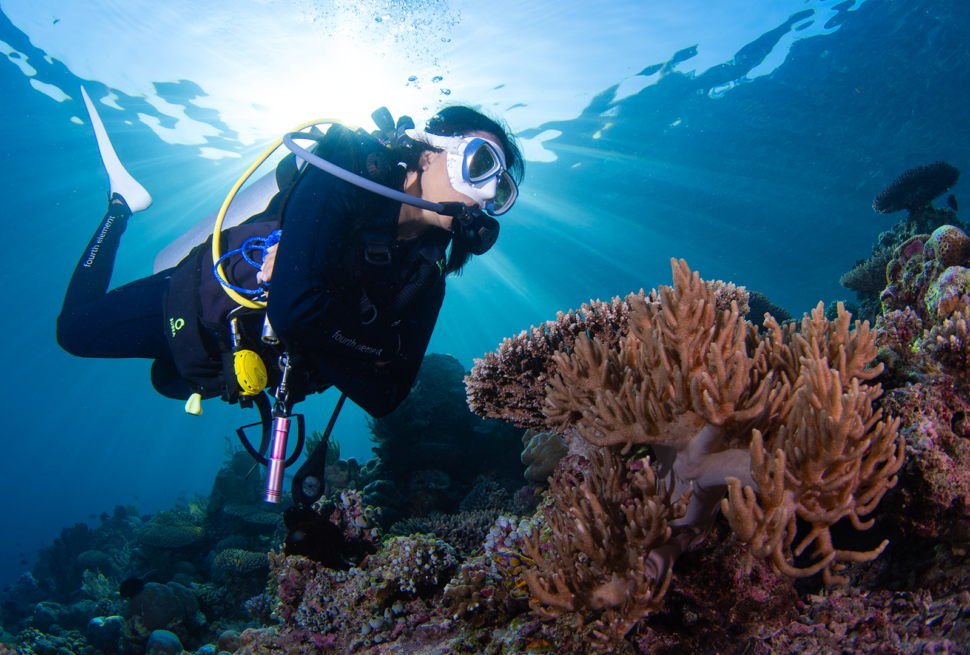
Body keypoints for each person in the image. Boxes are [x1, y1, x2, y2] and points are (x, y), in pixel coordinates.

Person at [57, 105, 524, 420]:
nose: (484, 195)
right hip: (195, 306)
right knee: (74, 332)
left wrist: (320, 317)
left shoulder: (424, 278)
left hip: (232, 366)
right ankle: (120, 207)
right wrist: (377, 348)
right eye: (480, 164)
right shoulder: (346, 172)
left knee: (167, 380)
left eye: (500, 189)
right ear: (428, 150)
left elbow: (386, 398)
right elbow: (295, 309)